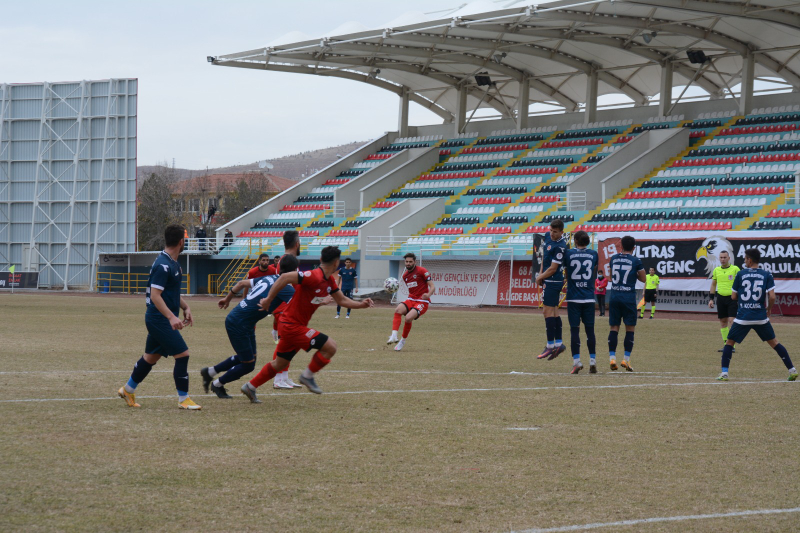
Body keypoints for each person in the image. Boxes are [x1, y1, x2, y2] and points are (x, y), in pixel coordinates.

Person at [241, 246, 375, 401]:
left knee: (279, 363)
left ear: (320, 260)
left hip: (292, 325)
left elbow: (342, 300)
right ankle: (307, 376)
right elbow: (284, 278)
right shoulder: (313, 276)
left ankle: (250, 387)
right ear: (337, 263)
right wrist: (269, 300)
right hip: (291, 325)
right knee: (330, 347)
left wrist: (361, 304)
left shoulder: (329, 280)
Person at [118, 224, 201, 410]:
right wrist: (172, 317)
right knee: (183, 354)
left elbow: (170, 293)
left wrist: (186, 307)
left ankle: (128, 389)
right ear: (181, 241)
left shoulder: (173, 263)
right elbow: (155, 296)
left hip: (160, 318)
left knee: (151, 357)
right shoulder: (163, 265)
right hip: (158, 319)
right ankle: (183, 399)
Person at [201, 254, 298, 398]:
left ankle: (210, 372)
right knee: (248, 364)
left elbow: (241, 283)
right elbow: (301, 303)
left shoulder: (269, 277)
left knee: (246, 358)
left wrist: (227, 299)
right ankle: (217, 384)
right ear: (294, 271)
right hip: (239, 323)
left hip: (242, 321)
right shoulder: (285, 288)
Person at [718, 248, 797, 382]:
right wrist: (769, 309)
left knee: (729, 343)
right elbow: (772, 297)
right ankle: (792, 370)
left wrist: (743, 299)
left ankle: (724, 373)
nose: (744, 261)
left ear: (749, 260)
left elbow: (733, 296)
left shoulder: (741, 274)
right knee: (775, 343)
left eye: (745, 259)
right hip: (760, 317)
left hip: (743, 317)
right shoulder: (767, 274)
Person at [607, 235, 646, 372]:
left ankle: (612, 358)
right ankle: (626, 359)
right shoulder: (636, 260)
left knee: (614, 328)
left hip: (615, 296)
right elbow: (643, 278)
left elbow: (611, 276)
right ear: (634, 248)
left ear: (621, 246)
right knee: (630, 329)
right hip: (628, 298)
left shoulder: (614, 258)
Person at [562, 231, 598, 374]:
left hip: (573, 297)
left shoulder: (569, 254)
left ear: (575, 240)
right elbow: (593, 270)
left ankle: (576, 362)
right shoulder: (594, 254)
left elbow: (565, 273)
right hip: (589, 297)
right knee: (590, 331)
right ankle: (593, 361)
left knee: (574, 330)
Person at [386, 252, 435, 351]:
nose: (408, 263)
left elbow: (432, 286)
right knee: (398, 310)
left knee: (408, 318)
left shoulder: (422, 271)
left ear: (414, 262)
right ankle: (394, 335)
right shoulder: (405, 276)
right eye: (406, 262)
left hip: (422, 301)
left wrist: (428, 295)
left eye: (410, 262)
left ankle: (402, 341)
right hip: (411, 299)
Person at [535, 220, 568, 360]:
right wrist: (541, 274)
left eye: (555, 232)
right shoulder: (548, 238)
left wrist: (540, 277)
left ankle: (549, 346)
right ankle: (559, 344)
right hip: (548, 280)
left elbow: (553, 268)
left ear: (561, 232)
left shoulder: (561, 246)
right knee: (554, 312)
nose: (552, 234)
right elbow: (544, 259)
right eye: (551, 230)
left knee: (547, 311)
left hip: (554, 281)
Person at [708, 250, 740, 352]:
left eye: (724, 257)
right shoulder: (716, 270)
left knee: (732, 321)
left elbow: (741, 284)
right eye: (721, 257)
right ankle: (726, 345)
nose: (722, 259)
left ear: (729, 258)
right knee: (723, 322)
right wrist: (711, 299)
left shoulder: (735, 269)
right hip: (721, 298)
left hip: (732, 298)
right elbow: (713, 284)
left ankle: (732, 346)